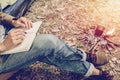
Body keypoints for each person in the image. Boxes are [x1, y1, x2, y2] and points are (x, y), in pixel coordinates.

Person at [0, 0, 113, 80]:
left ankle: (90, 71)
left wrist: (13, 21)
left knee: (46, 52)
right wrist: (3, 46)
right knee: (49, 43)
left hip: (4, 38)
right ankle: (83, 57)